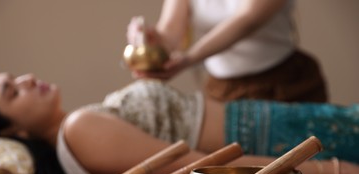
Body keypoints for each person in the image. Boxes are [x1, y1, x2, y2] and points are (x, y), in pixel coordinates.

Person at [0, 73, 358, 174]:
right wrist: (335, 172)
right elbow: (203, 166)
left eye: (15, 76)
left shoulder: (81, 124)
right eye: (12, 92)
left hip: (266, 123)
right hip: (272, 137)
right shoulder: (79, 129)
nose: (25, 80)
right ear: (13, 129)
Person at [127, 0, 328, 102]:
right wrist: (151, 40)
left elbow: (248, 20)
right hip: (222, 90)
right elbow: (170, 32)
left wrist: (190, 58)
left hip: (285, 83)